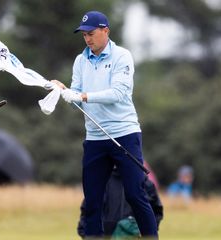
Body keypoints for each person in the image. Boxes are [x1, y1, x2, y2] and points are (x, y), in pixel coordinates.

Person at [52, 10, 158, 238]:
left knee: (134, 194)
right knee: (92, 199)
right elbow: (77, 101)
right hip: (95, 138)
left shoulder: (122, 56)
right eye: (84, 35)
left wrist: (81, 96)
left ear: (105, 31)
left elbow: (118, 93)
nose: (87, 39)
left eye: (91, 34)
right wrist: (64, 93)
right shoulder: (80, 60)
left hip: (125, 134)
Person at [77, 166, 163, 239]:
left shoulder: (144, 182)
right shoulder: (100, 180)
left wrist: (144, 233)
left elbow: (156, 211)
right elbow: (87, 211)